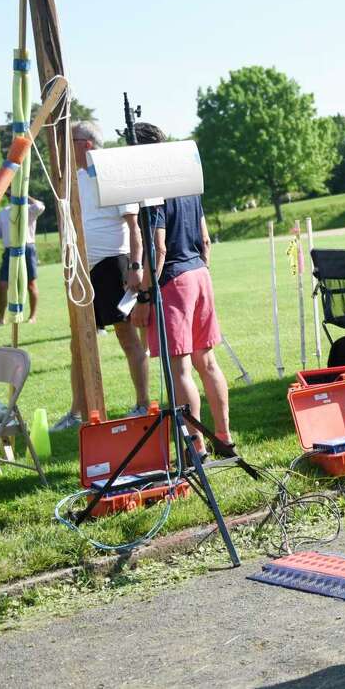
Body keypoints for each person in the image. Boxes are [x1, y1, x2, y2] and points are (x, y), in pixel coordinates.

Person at [129, 122, 232, 454]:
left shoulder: (153, 189)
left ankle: (196, 447)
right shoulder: (186, 184)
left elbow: (158, 248)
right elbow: (205, 239)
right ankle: (224, 437)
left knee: (180, 369)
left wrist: (145, 294)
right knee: (209, 363)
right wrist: (199, 270)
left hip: (173, 279)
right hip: (200, 275)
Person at [53, 122, 150, 432]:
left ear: (88, 145)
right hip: (84, 270)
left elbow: (134, 226)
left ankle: (142, 403)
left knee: (126, 336)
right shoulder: (75, 178)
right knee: (78, 342)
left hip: (114, 265)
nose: (68, 147)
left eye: (73, 141)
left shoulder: (114, 173)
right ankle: (77, 412)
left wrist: (136, 267)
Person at [0, 195, 44, 325]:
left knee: (30, 285)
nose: (11, 194)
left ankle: (32, 317)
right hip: (9, 250)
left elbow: (40, 206)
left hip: (27, 248)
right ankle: (0, 319)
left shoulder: (29, 208)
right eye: (9, 192)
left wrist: (24, 195)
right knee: (2, 285)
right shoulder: (3, 212)